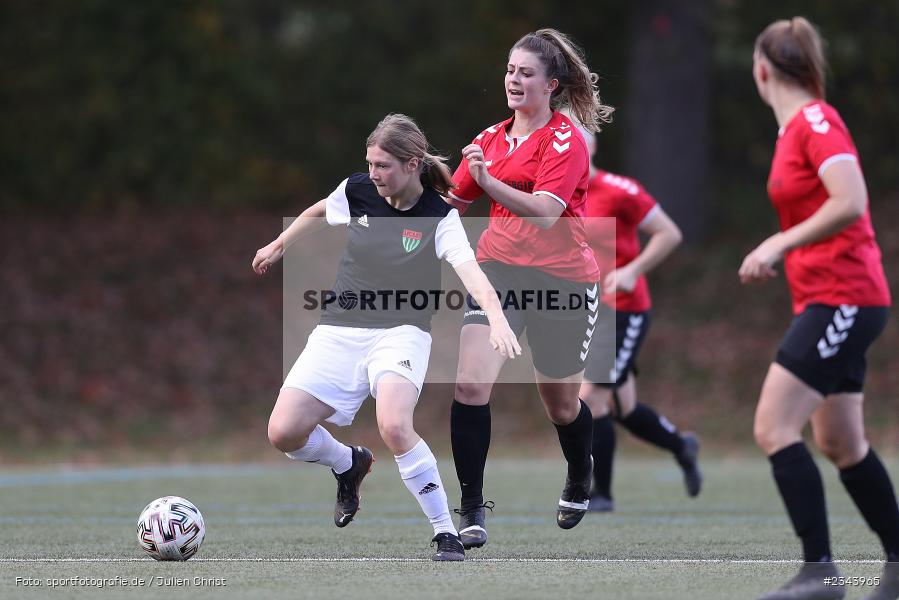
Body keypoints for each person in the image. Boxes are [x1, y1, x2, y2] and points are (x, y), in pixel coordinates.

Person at [252, 114, 521, 562]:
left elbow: (471, 274)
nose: (374, 174)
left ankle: (445, 532)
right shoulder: (358, 190)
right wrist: (281, 243)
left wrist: (497, 318)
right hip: (339, 329)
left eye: (383, 166)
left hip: (401, 333)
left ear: (413, 163)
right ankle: (348, 464)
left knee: (395, 424)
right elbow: (321, 208)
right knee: (283, 432)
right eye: (370, 163)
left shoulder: (440, 216)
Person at [741, 17, 898, 600]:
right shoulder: (794, 130)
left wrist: (778, 243)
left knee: (773, 425)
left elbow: (852, 200)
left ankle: (820, 574)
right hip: (833, 297)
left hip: (844, 297)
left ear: (762, 69)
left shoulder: (814, 121)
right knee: (840, 442)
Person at [446, 28, 613, 549]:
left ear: (551, 84)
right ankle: (471, 509)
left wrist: (488, 181)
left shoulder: (566, 140)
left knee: (561, 406)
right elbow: (451, 204)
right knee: (470, 385)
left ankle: (580, 469)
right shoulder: (490, 140)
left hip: (564, 280)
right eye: (510, 71)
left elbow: (544, 213)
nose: (514, 81)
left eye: (526, 73)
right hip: (498, 270)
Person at [572, 120, 701, 513]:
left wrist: (632, 270)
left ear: (591, 148)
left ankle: (600, 495)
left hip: (623, 312)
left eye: (577, 143)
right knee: (623, 408)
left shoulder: (619, 191)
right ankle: (682, 446)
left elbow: (669, 233)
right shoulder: (556, 197)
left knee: (590, 398)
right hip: (587, 314)